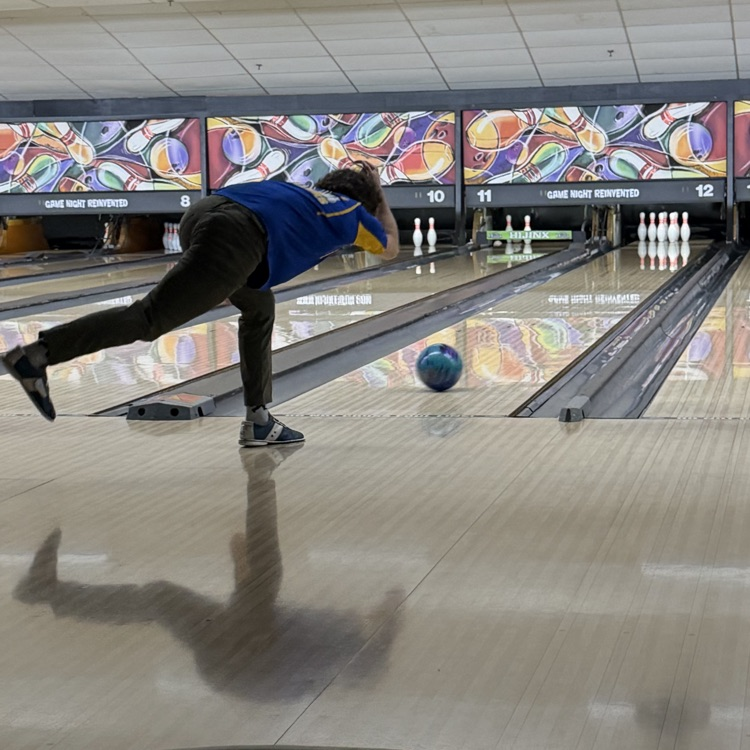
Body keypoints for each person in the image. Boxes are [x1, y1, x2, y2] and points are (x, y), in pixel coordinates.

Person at [1, 163, 400, 446]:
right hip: (239, 238)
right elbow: (390, 249)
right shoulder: (353, 214)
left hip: (205, 214)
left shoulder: (297, 190)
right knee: (149, 318)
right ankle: (36, 356)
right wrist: (379, 197)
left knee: (259, 307)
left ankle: (259, 419)